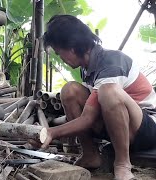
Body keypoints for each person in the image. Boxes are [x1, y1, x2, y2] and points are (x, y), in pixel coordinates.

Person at [41, 15, 156, 180]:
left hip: (146, 129)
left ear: (72, 47)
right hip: (118, 127)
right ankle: (90, 155)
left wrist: (51, 132)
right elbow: (90, 108)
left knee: (108, 92)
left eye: (60, 53)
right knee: (70, 90)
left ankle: (123, 164)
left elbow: (88, 118)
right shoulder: (86, 67)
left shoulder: (112, 63)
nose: (61, 59)